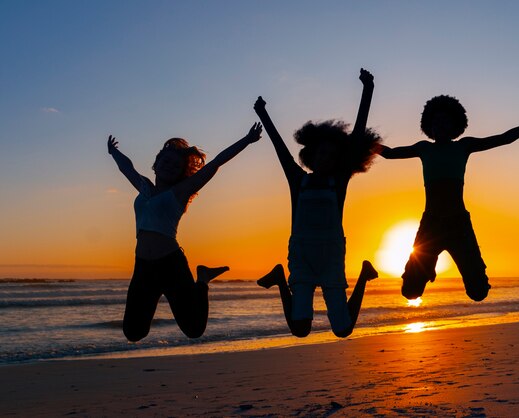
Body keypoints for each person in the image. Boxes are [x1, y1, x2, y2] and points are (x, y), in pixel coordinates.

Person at [378, 96, 519, 302]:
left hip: (459, 224)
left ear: (455, 125)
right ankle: (429, 262)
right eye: (436, 121)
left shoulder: (464, 146)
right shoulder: (424, 148)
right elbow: (388, 154)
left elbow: (506, 138)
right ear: (428, 126)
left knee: (478, 293)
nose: (440, 125)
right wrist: (363, 139)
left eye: (445, 121)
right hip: (431, 225)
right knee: (410, 293)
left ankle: (433, 262)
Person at [254, 69, 381, 338]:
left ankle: (364, 274)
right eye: (322, 153)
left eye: (332, 155)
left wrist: (367, 90)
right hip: (302, 256)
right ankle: (279, 278)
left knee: (343, 329)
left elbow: (357, 138)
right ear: (311, 154)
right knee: (300, 328)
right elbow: (279, 148)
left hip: (331, 256)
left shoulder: (339, 181)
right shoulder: (298, 180)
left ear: (339, 159)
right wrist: (263, 114)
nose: (326, 158)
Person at [107, 123, 262, 341]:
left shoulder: (180, 192)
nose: (170, 166)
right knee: (133, 332)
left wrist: (246, 140)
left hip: (170, 264)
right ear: (156, 164)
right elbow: (126, 168)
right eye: (166, 161)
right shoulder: (144, 187)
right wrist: (113, 151)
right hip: (143, 266)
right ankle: (203, 278)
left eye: (176, 165)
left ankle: (203, 280)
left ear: (181, 172)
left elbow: (216, 163)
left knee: (194, 329)